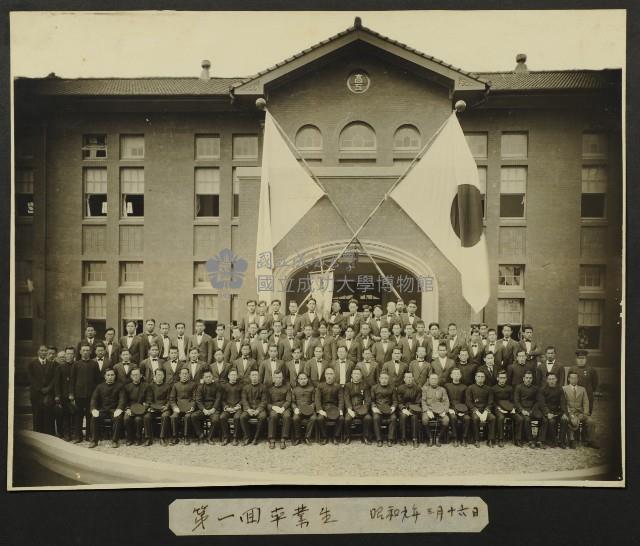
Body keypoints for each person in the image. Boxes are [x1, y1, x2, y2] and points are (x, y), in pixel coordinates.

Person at [70, 343, 101, 443]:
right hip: (79, 395)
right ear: (80, 352)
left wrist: (96, 394)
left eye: (87, 350)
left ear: (91, 352)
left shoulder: (94, 364)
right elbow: (72, 380)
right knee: (78, 416)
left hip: (91, 395)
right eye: (84, 350)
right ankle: (78, 436)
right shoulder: (76, 364)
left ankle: (88, 436)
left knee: (89, 416)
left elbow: (98, 380)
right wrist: (71, 394)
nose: (86, 352)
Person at [88, 368, 123, 448]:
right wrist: (93, 409)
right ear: (105, 376)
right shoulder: (99, 386)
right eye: (108, 375)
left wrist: (119, 409)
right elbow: (94, 399)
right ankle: (94, 440)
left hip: (114, 410)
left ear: (115, 376)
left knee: (118, 418)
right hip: (103, 410)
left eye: (112, 375)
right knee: (94, 417)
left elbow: (122, 399)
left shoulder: (120, 386)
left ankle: (115, 441)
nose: (110, 377)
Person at [563, 371, 599, 449]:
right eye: (572, 378)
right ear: (569, 379)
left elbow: (586, 402)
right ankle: (572, 440)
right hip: (570, 413)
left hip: (580, 413)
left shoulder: (582, 389)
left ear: (578, 379)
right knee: (572, 421)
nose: (574, 380)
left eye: (575, 378)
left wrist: (585, 413)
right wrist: (570, 414)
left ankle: (590, 440)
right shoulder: (564, 389)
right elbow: (564, 403)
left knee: (591, 421)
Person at [27, 344, 56, 434]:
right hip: (36, 394)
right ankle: (38, 435)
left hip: (48, 395)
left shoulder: (52, 364)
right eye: (42, 350)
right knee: (37, 415)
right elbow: (31, 378)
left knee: (48, 416)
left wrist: (48, 389)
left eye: (45, 351)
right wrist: (40, 389)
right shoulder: (32, 364)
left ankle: (48, 435)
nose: (44, 352)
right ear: (38, 352)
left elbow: (54, 379)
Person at [537, 372, 568, 448]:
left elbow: (563, 402)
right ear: (547, 380)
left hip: (557, 411)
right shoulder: (542, 390)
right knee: (551, 421)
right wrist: (548, 413)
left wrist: (564, 413)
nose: (551, 381)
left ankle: (561, 441)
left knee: (564, 420)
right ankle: (553, 440)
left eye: (553, 379)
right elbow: (542, 403)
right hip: (547, 411)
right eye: (550, 379)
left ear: (556, 379)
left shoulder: (560, 389)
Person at [466, 370, 496, 447]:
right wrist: (477, 412)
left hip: (485, 410)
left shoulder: (489, 389)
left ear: (485, 378)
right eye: (478, 376)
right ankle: (476, 439)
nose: (480, 378)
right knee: (475, 418)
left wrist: (485, 412)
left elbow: (490, 402)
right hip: (475, 411)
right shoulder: (470, 388)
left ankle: (490, 440)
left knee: (492, 418)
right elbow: (469, 402)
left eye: (482, 377)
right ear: (475, 378)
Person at [513, 370, 542, 448]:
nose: (528, 379)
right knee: (527, 419)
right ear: (523, 378)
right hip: (522, 409)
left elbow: (538, 401)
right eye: (527, 378)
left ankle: (540, 440)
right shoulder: (518, 387)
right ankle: (530, 440)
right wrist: (522, 410)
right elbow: (516, 401)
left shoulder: (535, 388)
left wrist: (532, 410)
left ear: (532, 379)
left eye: (530, 378)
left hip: (532, 409)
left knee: (544, 418)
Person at [315, 368, 344, 445]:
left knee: (341, 418)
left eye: (331, 374)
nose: (329, 376)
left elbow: (341, 399)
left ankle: (335, 437)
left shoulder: (338, 386)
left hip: (334, 409)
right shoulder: (320, 386)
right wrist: (320, 410)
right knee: (320, 418)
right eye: (327, 374)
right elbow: (317, 400)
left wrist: (340, 410)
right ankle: (325, 437)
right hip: (324, 408)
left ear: (334, 375)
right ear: (325, 375)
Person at [143, 368, 172, 446]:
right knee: (146, 417)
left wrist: (167, 406)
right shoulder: (150, 386)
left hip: (164, 408)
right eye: (158, 374)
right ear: (155, 376)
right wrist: (154, 408)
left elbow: (170, 399)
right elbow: (149, 400)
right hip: (153, 408)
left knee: (165, 416)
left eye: (161, 374)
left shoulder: (168, 386)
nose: (159, 376)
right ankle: (148, 438)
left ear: (164, 376)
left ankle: (162, 438)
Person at [192, 369, 221, 445]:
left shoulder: (217, 386)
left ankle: (209, 437)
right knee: (194, 416)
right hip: (204, 408)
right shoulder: (200, 387)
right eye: (206, 377)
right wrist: (203, 409)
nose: (208, 378)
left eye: (209, 376)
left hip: (214, 408)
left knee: (215, 420)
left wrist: (213, 409)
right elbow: (198, 400)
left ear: (212, 377)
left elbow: (218, 399)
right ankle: (200, 435)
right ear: (203, 378)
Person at [169, 367, 197, 445]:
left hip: (189, 408)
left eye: (186, 374)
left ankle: (186, 437)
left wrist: (192, 407)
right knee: (173, 417)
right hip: (178, 407)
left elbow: (195, 398)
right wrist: (175, 407)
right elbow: (172, 399)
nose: (184, 375)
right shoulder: (176, 385)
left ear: (188, 375)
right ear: (180, 375)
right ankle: (175, 437)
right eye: (183, 374)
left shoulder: (193, 384)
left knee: (187, 417)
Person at [344, 368, 372, 445]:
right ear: (352, 375)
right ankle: (348, 437)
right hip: (352, 408)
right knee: (347, 419)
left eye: (358, 374)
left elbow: (367, 399)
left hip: (362, 408)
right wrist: (349, 410)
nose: (356, 375)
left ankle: (365, 437)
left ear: (361, 375)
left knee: (368, 418)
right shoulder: (347, 385)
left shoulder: (365, 385)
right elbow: (346, 398)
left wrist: (364, 410)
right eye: (355, 373)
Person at [119, 367, 146, 446]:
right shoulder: (127, 387)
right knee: (126, 418)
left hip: (141, 410)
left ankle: (138, 438)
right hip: (130, 409)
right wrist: (127, 409)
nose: (135, 376)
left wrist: (143, 408)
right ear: (131, 376)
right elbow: (124, 400)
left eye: (137, 374)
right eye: (133, 375)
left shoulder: (146, 386)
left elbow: (148, 400)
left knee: (138, 419)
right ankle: (129, 438)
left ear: (141, 375)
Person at [421, 372, 450, 447]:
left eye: (435, 379)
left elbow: (446, 401)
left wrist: (444, 411)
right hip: (429, 409)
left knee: (446, 420)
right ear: (429, 380)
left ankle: (438, 438)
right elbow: (423, 401)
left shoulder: (442, 389)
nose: (434, 380)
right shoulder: (425, 389)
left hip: (440, 410)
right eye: (432, 379)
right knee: (424, 419)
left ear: (438, 380)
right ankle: (430, 438)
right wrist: (427, 410)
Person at [567, 349, 599, 416]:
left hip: (587, 395)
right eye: (579, 358)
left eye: (583, 358)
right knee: (574, 415)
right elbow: (569, 383)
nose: (581, 360)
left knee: (586, 415)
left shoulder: (591, 370)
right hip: (575, 396)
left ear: (586, 359)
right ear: (576, 359)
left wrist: (590, 391)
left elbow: (595, 383)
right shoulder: (572, 369)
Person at [240, 369, 267, 445]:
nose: (254, 377)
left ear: (259, 377)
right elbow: (244, 399)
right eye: (253, 375)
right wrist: (248, 409)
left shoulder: (263, 387)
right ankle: (247, 437)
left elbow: (264, 401)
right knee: (242, 417)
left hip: (259, 409)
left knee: (262, 417)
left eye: (256, 375)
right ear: (250, 377)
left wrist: (258, 410)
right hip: (249, 408)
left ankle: (256, 437)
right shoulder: (245, 387)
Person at [444, 368, 470, 447]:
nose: (456, 375)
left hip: (462, 409)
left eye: (458, 374)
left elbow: (466, 401)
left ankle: (464, 438)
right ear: (451, 376)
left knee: (467, 418)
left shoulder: (464, 387)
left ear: (460, 376)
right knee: (453, 418)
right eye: (454, 374)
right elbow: (445, 400)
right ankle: (454, 438)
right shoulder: (447, 386)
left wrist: (464, 411)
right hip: (451, 409)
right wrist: (448, 409)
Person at [266, 370, 292, 449]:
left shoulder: (287, 388)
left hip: (285, 407)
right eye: (276, 377)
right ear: (273, 378)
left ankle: (283, 439)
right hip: (274, 407)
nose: (278, 379)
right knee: (273, 415)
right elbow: (267, 402)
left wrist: (283, 408)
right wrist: (273, 407)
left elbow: (288, 400)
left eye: (280, 377)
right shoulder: (269, 389)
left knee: (287, 416)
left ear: (282, 378)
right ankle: (272, 439)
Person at [54, 347, 75, 441]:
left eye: (71, 353)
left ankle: (75, 433)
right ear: (65, 355)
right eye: (68, 353)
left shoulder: (77, 365)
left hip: (76, 395)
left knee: (75, 415)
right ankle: (67, 434)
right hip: (64, 395)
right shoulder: (60, 367)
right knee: (66, 415)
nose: (70, 355)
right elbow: (57, 383)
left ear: (74, 355)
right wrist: (57, 395)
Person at [218, 368, 244, 446]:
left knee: (237, 418)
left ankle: (235, 437)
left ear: (237, 377)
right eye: (232, 375)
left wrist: (238, 406)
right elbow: (222, 399)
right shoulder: (224, 386)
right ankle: (226, 437)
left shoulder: (241, 386)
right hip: (228, 408)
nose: (233, 377)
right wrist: (226, 407)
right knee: (222, 417)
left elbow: (243, 398)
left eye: (235, 375)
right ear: (228, 376)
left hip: (237, 408)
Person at [397, 371, 422, 447]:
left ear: (413, 378)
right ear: (404, 379)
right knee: (403, 416)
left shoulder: (417, 388)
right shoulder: (400, 388)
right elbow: (399, 401)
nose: (409, 379)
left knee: (414, 416)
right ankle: (403, 438)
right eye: (407, 377)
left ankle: (414, 438)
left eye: (410, 377)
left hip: (414, 408)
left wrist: (412, 410)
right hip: (403, 409)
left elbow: (418, 402)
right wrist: (403, 409)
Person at [291, 371, 317, 445]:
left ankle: (307, 437)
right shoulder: (295, 390)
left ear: (307, 379)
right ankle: (298, 438)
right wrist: (295, 408)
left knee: (313, 418)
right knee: (295, 418)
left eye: (304, 378)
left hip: (309, 410)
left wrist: (311, 408)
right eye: (301, 379)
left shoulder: (312, 389)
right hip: (299, 410)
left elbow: (314, 401)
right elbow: (292, 402)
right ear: (298, 380)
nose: (303, 380)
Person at [491, 370, 514, 447]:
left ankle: (517, 439)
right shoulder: (493, 388)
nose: (502, 380)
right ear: (497, 378)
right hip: (498, 408)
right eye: (500, 378)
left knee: (519, 418)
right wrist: (498, 408)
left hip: (508, 408)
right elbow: (492, 401)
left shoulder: (510, 388)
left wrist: (511, 408)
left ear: (506, 379)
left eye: (504, 378)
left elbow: (512, 400)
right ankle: (501, 439)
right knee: (501, 417)